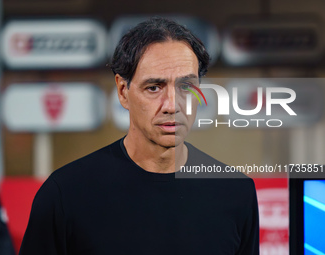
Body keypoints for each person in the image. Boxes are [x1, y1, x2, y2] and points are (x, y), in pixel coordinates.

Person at [19, 17, 259, 255]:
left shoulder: (236, 192)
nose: (172, 105)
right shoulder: (64, 194)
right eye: (154, 87)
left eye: (186, 87)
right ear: (123, 92)